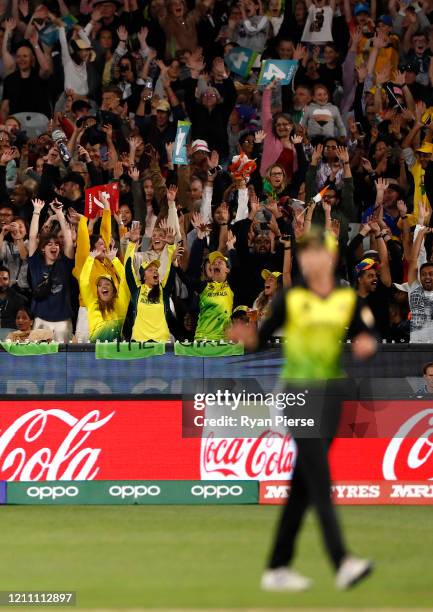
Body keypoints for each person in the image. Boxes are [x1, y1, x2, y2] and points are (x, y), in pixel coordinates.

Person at [229, 227, 376, 592]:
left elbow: (367, 333)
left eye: (317, 254)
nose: (310, 260)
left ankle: (277, 567)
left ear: (331, 258)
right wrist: (246, 338)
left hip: (333, 394)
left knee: (302, 486)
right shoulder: (290, 299)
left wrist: (366, 343)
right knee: (321, 479)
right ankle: (342, 561)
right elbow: (258, 342)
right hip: (297, 394)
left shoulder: (347, 298)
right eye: (304, 255)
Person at [79, 244, 130, 342]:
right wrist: (90, 259)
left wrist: (114, 260)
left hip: (117, 352)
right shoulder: (92, 303)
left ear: (114, 289)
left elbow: (125, 280)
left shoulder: (120, 303)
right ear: (97, 291)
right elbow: (83, 282)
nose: (104, 286)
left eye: (107, 284)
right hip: (96, 353)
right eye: (100, 285)